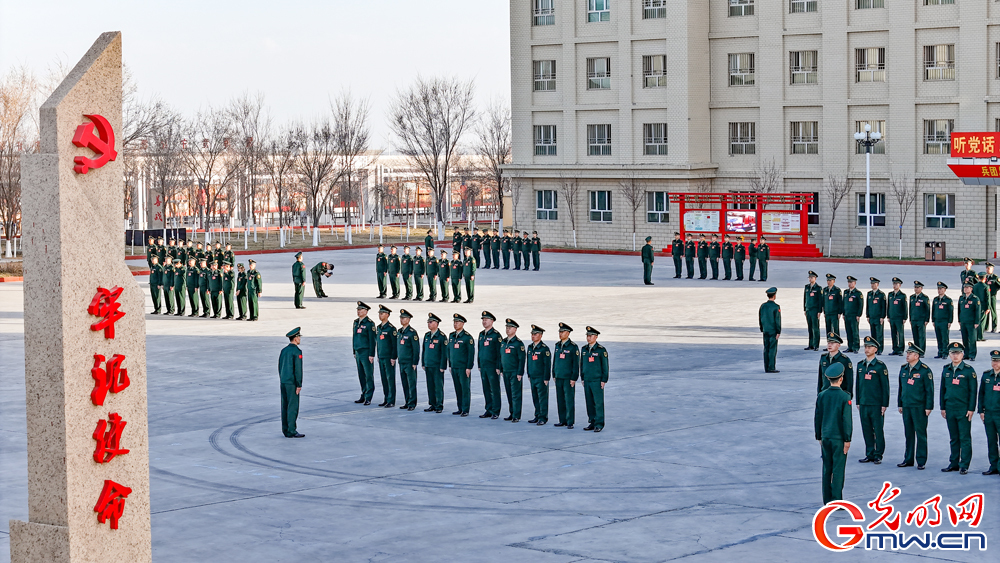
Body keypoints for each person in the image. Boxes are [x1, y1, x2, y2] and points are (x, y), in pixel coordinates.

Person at [815, 362, 853, 505]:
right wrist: (847, 439)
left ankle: (826, 500)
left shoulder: (822, 395)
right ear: (841, 379)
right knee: (838, 470)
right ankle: (836, 500)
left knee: (826, 468)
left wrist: (818, 435)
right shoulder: (845, 397)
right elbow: (846, 420)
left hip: (825, 436)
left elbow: (817, 416)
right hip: (839, 438)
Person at [940, 342, 978, 474]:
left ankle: (964, 464)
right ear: (949, 355)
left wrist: (971, 409)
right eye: (952, 353)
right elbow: (942, 390)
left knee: (964, 437)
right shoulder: (946, 369)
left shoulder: (968, 371)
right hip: (950, 408)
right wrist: (942, 407)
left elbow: (973, 391)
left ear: (962, 354)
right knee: (954, 437)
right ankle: (954, 462)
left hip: (963, 409)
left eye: (958, 353)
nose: (955, 356)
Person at [898, 343, 934, 470]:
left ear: (917, 355)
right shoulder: (903, 369)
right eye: (907, 353)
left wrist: (929, 407)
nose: (907, 355)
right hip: (907, 406)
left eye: (910, 353)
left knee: (920, 433)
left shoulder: (924, 370)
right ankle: (908, 459)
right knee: (908, 433)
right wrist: (900, 403)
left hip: (919, 406)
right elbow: (901, 388)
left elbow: (929, 390)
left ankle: (921, 460)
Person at [856, 336, 890, 464]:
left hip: (876, 403)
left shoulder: (880, 366)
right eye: (865, 347)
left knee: (878, 429)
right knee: (866, 429)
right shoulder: (860, 365)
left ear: (875, 349)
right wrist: (858, 401)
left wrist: (884, 404)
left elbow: (885, 387)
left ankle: (878, 454)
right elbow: (858, 385)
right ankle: (869, 453)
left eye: (869, 347)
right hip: (864, 402)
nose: (866, 349)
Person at [278, 327, 305, 438]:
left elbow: (279, 366)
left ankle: (285, 430)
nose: (300, 339)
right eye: (299, 337)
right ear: (295, 338)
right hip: (292, 383)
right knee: (293, 407)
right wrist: (299, 384)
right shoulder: (297, 352)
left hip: (283, 381)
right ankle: (292, 430)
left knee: (284, 406)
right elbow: (298, 370)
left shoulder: (284, 350)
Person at [581, 326, 609, 432]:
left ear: (596, 337)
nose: (588, 338)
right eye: (587, 336)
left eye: (590, 336)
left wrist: (604, 380)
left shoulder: (601, 350)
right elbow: (582, 364)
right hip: (587, 379)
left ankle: (599, 423)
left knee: (598, 402)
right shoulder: (584, 349)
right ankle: (592, 422)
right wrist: (582, 377)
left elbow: (605, 366)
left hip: (597, 380)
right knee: (589, 402)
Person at [553, 322, 580, 429]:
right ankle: (562, 420)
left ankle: (570, 421)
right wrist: (554, 374)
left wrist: (574, 377)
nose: (560, 334)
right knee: (560, 399)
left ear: (568, 333)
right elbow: (555, 361)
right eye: (559, 332)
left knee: (568, 400)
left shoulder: (573, 347)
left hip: (568, 378)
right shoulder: (557, 345)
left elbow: (575, 363)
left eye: (562, 332)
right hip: (559, 376)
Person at [448, 313, 475, 416]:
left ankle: (465, 409)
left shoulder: (467, 337)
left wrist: (469, 367)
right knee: (458, 388)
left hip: (463, 367)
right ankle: (459, 407)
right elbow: (449, 350)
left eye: (458, 322)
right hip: (454, 366)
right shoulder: (451, 335)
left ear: (463, 323)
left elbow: (470, 353)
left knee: (465, 388)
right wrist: (450, 364)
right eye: (454, 322)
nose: (455, 324)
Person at [477, 311, 503, 420]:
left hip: (493, 367)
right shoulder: (481, 334)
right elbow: (480, 350)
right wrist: (479, 363)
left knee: (494, 388)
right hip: (483, 366)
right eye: (483, 320)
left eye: (486, 320)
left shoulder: (496, 335)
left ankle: (496, 410)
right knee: (486, 388)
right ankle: (488, 409)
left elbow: (499, 352)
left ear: (492, 321)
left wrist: (498, 366)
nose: (484, 321)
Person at [500, 318, 526, 422]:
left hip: (515, 372)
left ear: (515, 329)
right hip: (506, 371)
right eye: (507, 327)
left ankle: (516, 415)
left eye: (510, 328)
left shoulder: (518, 343)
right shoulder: (504, 341)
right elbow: (501, 356)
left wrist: (520, 372)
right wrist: (501, 368)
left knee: (516, 394)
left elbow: (521, 359)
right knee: (509, 393)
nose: (508, 329)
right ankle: (511, 412)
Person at [422, 313, 448, 413]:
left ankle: (439, 405)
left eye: (431, 322)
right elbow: (424, 350)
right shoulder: (427, 335)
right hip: (428, 364)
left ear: (436, 323)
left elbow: (444, 353)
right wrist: (424, 363)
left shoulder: (441, 337)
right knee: (430, 385)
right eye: (428, 322)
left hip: (437, 366)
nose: (429, 324)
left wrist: (443, 366)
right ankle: (432, 404)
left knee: (438, 385)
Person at [979, 350, 1000, 475]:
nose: (994, 363)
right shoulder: (987, 375)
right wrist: (981, 410)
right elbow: (981, 394)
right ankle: (993, 466)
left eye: (997, 361)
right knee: (991, 441)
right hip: (989, 414)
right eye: (993, 360)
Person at [526, 325, 552, 426]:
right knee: (535, 397)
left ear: (540, 336)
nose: (533, 336)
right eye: (532, 334)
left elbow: (547, 364)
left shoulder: (544, 349)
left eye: (535, 334)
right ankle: (537, 415)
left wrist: (546, 377)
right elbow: (528, 362)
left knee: (542, 398)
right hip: (533, 376)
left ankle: (543, 417)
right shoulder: (530, 347)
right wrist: (528, 373)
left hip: (541, 377)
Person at [352, 302, 377, 405]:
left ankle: (368, 396)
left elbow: (372, 340)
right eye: (358, 309)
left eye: (361, 310)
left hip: (366, 352)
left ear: (366, 311)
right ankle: (363, 393)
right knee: (361, 375)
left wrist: (371, 354)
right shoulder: (356, 322)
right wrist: (354, 350)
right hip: (358, 351)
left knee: (368, 375)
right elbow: (354, 337)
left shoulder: (369, 324)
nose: (358, 311)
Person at [396, 309, 420, 411]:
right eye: (401, 318)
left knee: (411, 383)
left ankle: (412, 403)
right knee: (404, 383)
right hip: (402, 361)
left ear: (409, 319)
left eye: (404, 318)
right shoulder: (399, 331)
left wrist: (415, 362)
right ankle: (407, 401)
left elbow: (416, 349)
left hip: (410, 362)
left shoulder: (412, 333)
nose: (402, 320)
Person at [375, 304, 398, 407]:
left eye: (382, 313)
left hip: (389, 358)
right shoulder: (379, 327)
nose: (380, 315)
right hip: (382, 357)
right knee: (384, 379)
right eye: (379, 313)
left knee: (390, 379)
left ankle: (391, 400)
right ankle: (386, 398)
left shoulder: (391, 329)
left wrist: (393, 357)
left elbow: (394, 345)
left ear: (387, 315)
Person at [818, 333, 854, 397]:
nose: (829, 345)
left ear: (838, 345)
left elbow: (849, 379)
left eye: (832, 343)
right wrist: (819, 393)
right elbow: (820, 377)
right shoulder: (823, 358)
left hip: (839, 394)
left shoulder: (844, 360)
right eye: (828, 343)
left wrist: (848, 395)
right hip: (825, 392)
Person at [759, 287, 781, 373]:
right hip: (773, 330)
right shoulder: (776, 307)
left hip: (765, 330)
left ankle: (766, 367)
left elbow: (760, 318)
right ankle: (771, 367)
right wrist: (778, 331)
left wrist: (762, 328)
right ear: (774, 296)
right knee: (772, 349)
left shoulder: (763, 306)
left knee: (766, 348)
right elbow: (777, 320)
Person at [958, 282, 981, 361]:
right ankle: (966, 354)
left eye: (967, 287)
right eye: (965, 287)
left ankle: (972, 354)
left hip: (971, 322)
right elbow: (959, 310)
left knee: (972, 339)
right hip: (963, 321)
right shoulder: (961, 298)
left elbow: (977, 311)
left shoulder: (975, 299)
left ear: (971, 289)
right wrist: (959, 320)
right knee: (965, 339)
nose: (965, 289)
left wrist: (977, 322)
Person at [932, 282, 953, 359]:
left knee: (944, 338)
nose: (939, 290)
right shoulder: (935, 299)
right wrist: (933, 320)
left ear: (944, 290)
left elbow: (950, 311)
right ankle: (940, 351)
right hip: (937, 321)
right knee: (939, 337)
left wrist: (950, 321)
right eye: (938, 289)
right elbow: (933, 310)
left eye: (941, 289)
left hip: (944, 321)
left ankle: (945, 352)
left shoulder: (948, 300)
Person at [887, 277, 908, 356]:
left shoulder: (902, 296)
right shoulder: (890, 294)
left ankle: (901, 349)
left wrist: (904, 317)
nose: (895, 285)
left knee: (900, 334)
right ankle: (895, 349)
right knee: (893, 333)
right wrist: (888, 315)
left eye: (896, 284)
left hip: (899, 318)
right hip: (892, 317)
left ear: (900, 285)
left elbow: (905, 307)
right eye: (894, 284)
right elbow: (888, 306)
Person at [843, 276, 864, 354]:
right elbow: (843, 303)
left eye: (851, 282)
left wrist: (859, 314)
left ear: (855, 283)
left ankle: (856, 347)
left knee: (854, 331)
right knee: (848, 331)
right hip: (847, 315)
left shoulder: (858, 293)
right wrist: (843, 313)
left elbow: (860, 304)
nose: (850, 284)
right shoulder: (845, 292)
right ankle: (850, 347)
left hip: (854, 315)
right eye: (849, 282)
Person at [866, 277, 887, 354]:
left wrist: (882, 316)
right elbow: (868, 305)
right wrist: (867, 315)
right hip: (872, 317)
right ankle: (874, 349)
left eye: (874, 283)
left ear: (877, 284)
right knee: (873, 334)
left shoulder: (881, 294)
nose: (872, 285)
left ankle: (880, 349)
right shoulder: (869, 294)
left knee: (879, 334)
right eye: (871, 283)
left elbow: (883, 306)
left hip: (878, 317)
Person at [909, 281, 930, 354]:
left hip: (921, 320)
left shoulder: (924, 298)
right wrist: (910, 318)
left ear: (921, 288)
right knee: (915, 336)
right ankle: (916, 350)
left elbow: (927, 309)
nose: (916, 289)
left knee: (921, 336)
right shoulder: (912, 297)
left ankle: (921, 351)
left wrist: (927, 319)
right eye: (915, 287)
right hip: (914, 319)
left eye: (918, 287)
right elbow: (910, 309)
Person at [974, 272, 990, 342]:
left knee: (976, 320)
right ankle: (980, 336)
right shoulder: (986, 287)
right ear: (985, 279)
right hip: (983, 306)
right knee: (982, 322)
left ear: (978, 278)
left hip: (975, 305)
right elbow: (987, 298)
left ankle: (976, 335)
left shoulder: (975, 286)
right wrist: (988, 307)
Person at [988, 263, 1000, 332]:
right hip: (986, 296)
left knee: (993, 312)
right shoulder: (985, 276)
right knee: (985, 311)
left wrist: (995, 290)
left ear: (992, 269)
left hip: (992, 296)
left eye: (989, 268)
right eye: (987, 268)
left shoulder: (995, 277)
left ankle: (994, 327)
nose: (987, 270)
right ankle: (985, 326)